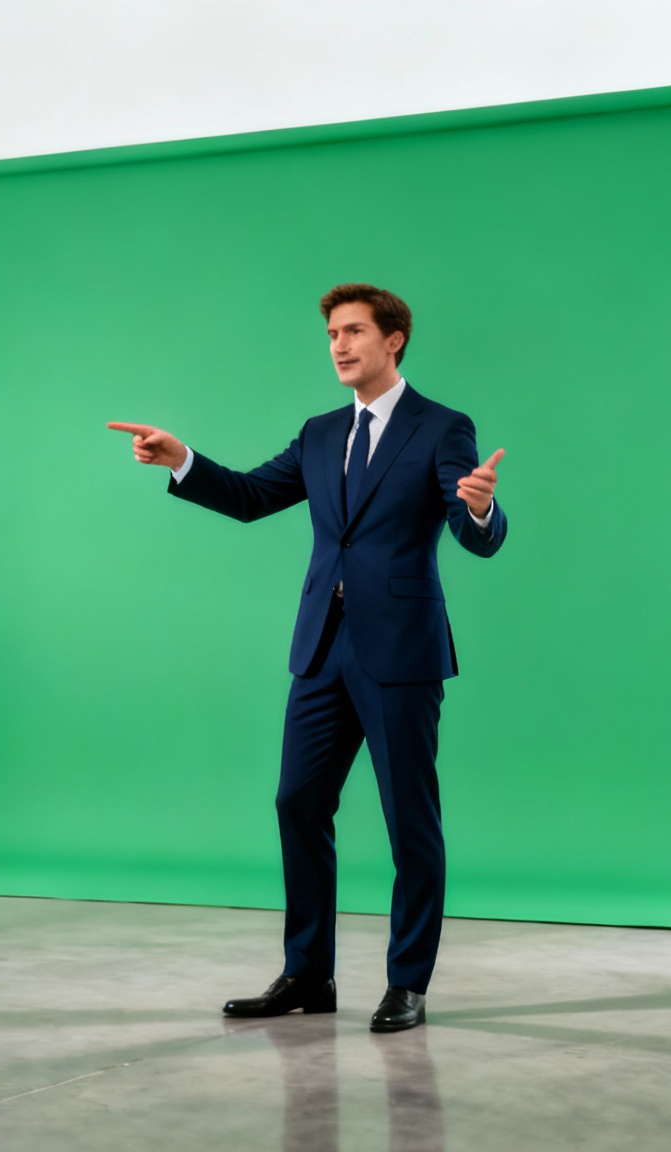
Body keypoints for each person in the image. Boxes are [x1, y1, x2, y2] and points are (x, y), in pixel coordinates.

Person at [108, 283, 507, 1033]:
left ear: (394, 341)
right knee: (297, 801)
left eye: (354, 332)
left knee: (408, 819)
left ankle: (408, 983)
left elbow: (470, 528)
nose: (340, 346)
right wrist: (183, 458)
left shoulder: (441, 426)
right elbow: (254, 495)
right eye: (331, 335)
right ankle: (306, 975)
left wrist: (482, 504)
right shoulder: (321, 432)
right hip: (322, 647)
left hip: (400, 651)